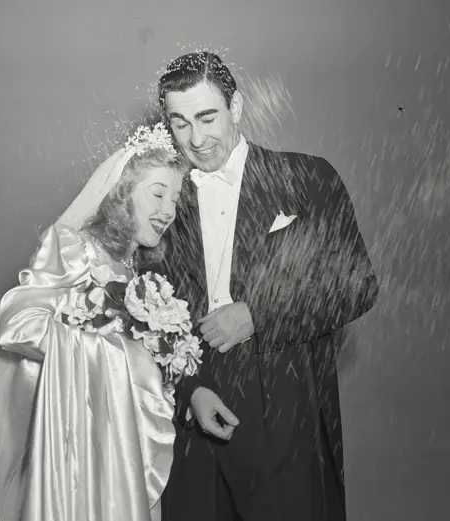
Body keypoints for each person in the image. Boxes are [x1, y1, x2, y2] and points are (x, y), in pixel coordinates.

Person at [154, 52, 380, 521]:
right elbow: (153, 309)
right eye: (179, 123)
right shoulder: (162, 199)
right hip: (194, 412)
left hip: (283, 401)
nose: (196, 139)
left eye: (207, 117)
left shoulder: (308, 177)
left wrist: (257, 314)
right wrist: (191, 389)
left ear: (235, 107)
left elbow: (356, 285)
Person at [0, 124, 190, 521]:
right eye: (157, 193)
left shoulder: (134, 270)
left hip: (106, 447)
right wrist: (125, 356)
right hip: (64, 450)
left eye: (175, 198)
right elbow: (19, 325)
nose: (169, 210)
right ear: (122, 191)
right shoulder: (75, 249)